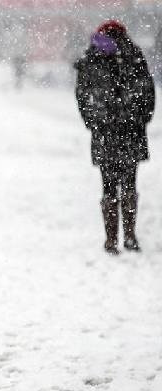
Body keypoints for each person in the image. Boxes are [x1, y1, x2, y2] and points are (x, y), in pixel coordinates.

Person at [75, 20, 155, 254]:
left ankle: (111, 240)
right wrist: (140, 119)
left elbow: (82, 95)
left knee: (108, 186)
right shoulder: (134, 55)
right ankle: (129, 236)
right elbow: (148, 92)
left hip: (105, 132)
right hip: (131, 131)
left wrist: (93, 121)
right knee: (130, 183)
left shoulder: (93, 58)